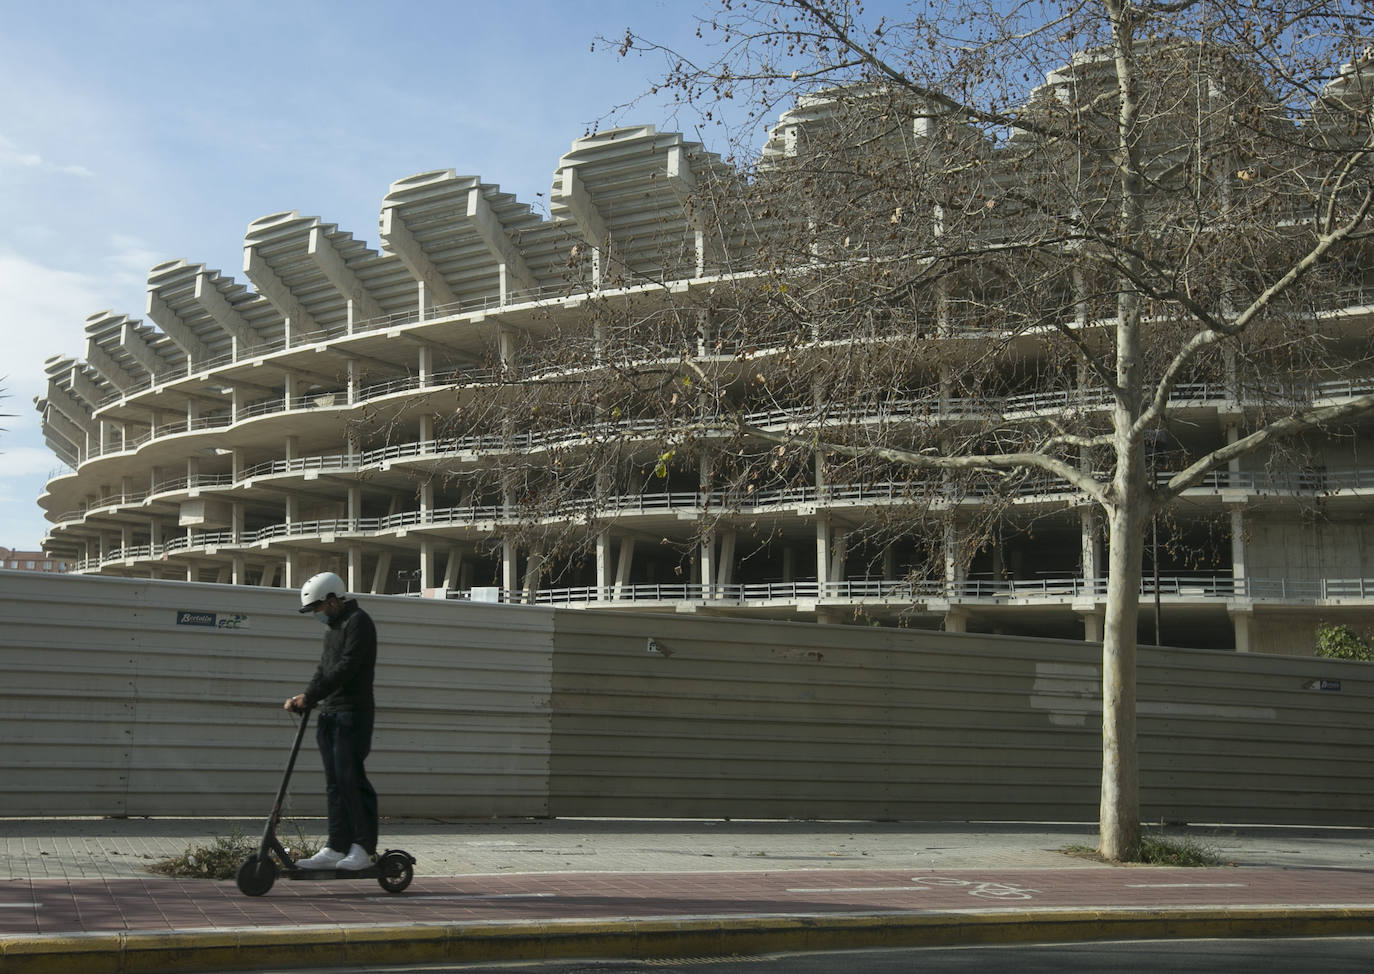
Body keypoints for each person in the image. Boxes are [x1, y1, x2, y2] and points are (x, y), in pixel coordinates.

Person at [284, 571, 379, 871]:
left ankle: (363, 847)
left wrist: (310, 696)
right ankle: (337, 846)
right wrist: (307, 697)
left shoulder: (358, 623)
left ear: (333, 600)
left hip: (353, 713)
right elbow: (323, 670)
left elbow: (346, 668)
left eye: (318, 608)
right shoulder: (333, 629)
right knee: (334, 784)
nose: (317, 615)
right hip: (330, 714)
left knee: (351, 780)